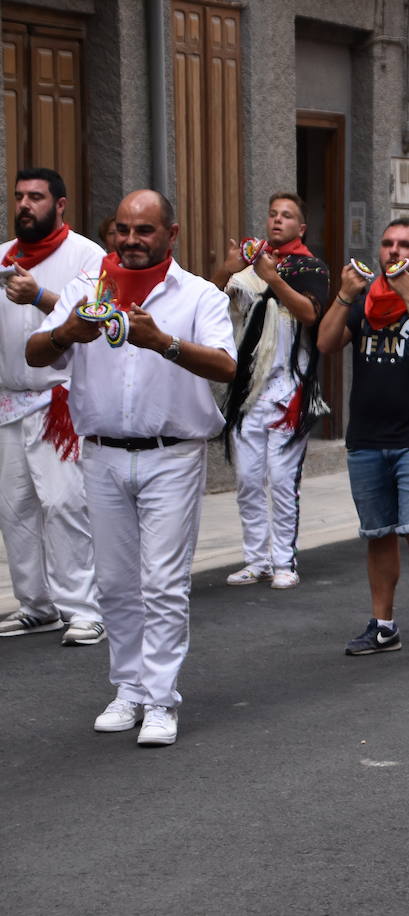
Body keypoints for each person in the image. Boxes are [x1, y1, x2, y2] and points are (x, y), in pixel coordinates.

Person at [26, 189, 238, 746]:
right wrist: (68, 331)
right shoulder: (88, 288)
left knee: (163, 584)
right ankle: (129, 690)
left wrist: (162, 342)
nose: (130, 240)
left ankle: (162, 699)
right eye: (122, 229)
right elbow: (35, 352)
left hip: (171, 455)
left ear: (172, 234)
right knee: (116, 584)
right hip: (100, 453)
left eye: (144, 230)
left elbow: (225, 365)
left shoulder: (198, 294)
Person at [316, 218, 409, 660]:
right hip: (368, 436)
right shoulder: (361, 305)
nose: (394, 251)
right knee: (378, 534)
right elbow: (324, 343)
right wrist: (344, 295)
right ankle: (383, 626)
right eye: (387, 243)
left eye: (405, 245)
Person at [0, 167, 105, 645]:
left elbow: (94, 318)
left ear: (59, 205)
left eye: (36, 197)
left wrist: (39, 296)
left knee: (64, 503)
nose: (25, 205)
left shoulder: (86, 255)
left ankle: (83, 608)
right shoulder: (2, 256)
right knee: (14, 509)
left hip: (57, 398)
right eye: (19, 196)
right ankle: (37, 606)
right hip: (7, 399)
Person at [214, 193, 330, 590]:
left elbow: (311, 313)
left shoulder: (311, 267)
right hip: (248, 391)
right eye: (272, 214)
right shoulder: (248, 265)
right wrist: (226, 270)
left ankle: (284, 560)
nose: (277, 221)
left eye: (287, 216)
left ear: (301, 228)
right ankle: (256, 559)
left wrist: (273, 277)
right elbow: (210, 304)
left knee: (281, 480)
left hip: (288, 388)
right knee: (247, 479)